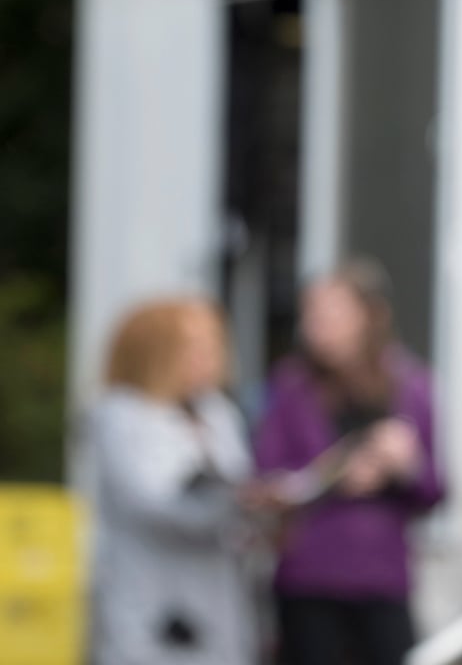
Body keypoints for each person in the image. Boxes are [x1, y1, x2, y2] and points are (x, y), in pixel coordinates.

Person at [253, 258, 441, 665]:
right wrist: (333, 472)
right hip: (310, 574)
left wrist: (404, 467)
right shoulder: (291, 384)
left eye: (331, 313)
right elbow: (267, 477)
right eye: (310, 314)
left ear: (368, 316)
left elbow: (434, 490)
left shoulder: (410, 384)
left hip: (382, 577)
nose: (316, 325)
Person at [88, 297, 257, 665]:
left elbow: (239, 479)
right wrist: (232, 502)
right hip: (152, 596)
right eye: (195, 346)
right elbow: (158, 505)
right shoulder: (123, 416)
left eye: (213, 345)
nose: (210, 358)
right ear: (156, 352)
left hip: (217, 594)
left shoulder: (217, 411)